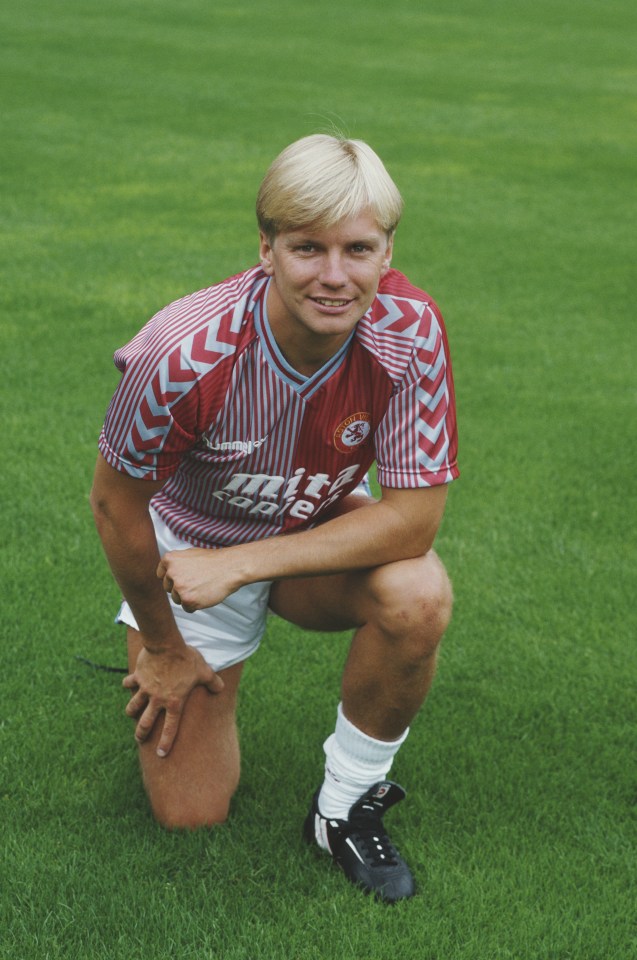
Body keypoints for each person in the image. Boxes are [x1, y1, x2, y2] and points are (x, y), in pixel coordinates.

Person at [90, 133, 459, 904]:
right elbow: (114, 505)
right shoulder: (182, 351)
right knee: (190, 815)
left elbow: (412, 522)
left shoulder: (411, 330)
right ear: (265, 248)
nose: (334, 275)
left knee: (418, 593)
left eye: (358, 248)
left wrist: (246, 565)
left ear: (387, 249)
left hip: (303, 533)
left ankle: (344, 807)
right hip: (186, 545)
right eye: (306, 248)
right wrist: (161, 645)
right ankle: (182, 659)